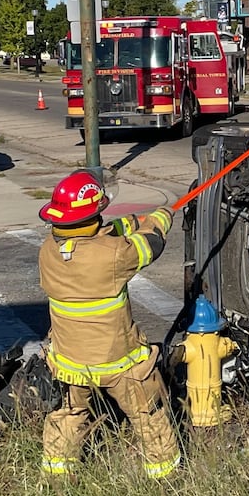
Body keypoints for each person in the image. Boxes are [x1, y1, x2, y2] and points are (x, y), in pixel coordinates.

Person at [37, 170, 182, 479]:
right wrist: (159, 217)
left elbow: (96, 236)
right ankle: (165, 477)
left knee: (70, 415)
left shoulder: (49, 251)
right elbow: (149, 245)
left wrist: (128, 222)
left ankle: (57, 478)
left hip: (71, 362)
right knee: (148, 416)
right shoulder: (115, 255)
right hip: (118, 363)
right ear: (92, 218)